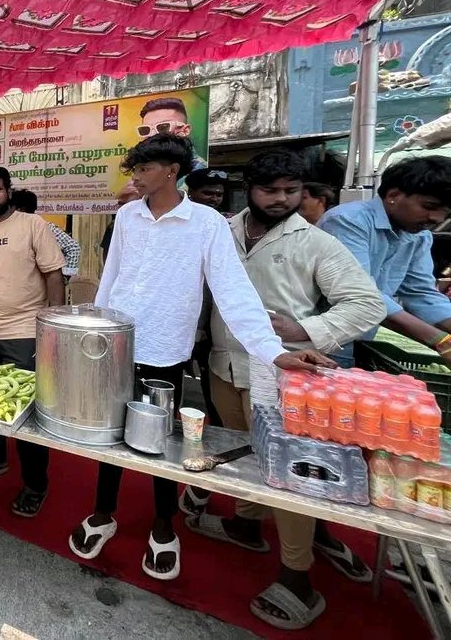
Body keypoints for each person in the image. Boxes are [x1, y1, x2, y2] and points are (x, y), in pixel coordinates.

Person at [68, 134, 333, 582]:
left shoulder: (206, 223)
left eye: (143, 168)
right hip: (117, 345)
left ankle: (163, 526)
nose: (135, 176)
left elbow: (233, 292)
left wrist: (271, 351)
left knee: (163, 442)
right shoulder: (128, 215)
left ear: (171, 171)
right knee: (108, 433)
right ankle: (103, 512)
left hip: (165, 351)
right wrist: (97, 334)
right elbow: (111, 279)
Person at [179, 151, 383, 630]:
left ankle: (298, 577)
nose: (282, 199)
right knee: (244, 453)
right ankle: (247, 523)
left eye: (291, 190)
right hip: (223, 364)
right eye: (271, 190)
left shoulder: (314, 242)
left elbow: (366, 304)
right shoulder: (222, 230)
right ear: (249, 188)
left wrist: (306, 329)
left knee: (287, 472)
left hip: (281, 373)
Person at [0, 166, 65, 517]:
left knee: (27, 410)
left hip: (24, 333)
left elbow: (53, 274)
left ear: (8, 191)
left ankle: (36, 483)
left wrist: (55, 325)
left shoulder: (33, 226)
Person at [320, 156, 451, 365]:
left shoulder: (418, 236)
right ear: (393, 195)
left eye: (445, 213)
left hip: (360, 341)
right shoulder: (347, 221)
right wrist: (439, 340)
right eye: (429, 206)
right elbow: (363, 294)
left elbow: (421, 293)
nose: (437, 219)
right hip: (318, 340)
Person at [184, 168, 229, 429]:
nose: (213, 198)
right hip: (190, 319)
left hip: (220, 322)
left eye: (218, 194)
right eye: (207, 193)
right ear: (192, 193)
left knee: (215, 381)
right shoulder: (180, 224)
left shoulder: (225, 224)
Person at [11, 189, 81, 280]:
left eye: (11, 207)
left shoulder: (44, 227)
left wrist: (65, 276)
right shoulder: (14, 229)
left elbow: (73, 247)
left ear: (20, 209)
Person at [137, 97, 207, 170]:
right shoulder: (141, 168)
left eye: (163, 127)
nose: (152, 134)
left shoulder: (199, 173)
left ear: (185, 131)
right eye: (146, 129)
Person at [100, 181, 139, 262]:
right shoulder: (114, 226)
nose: (120, 208)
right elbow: (108, 257)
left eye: (124, 204)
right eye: (119, 204)